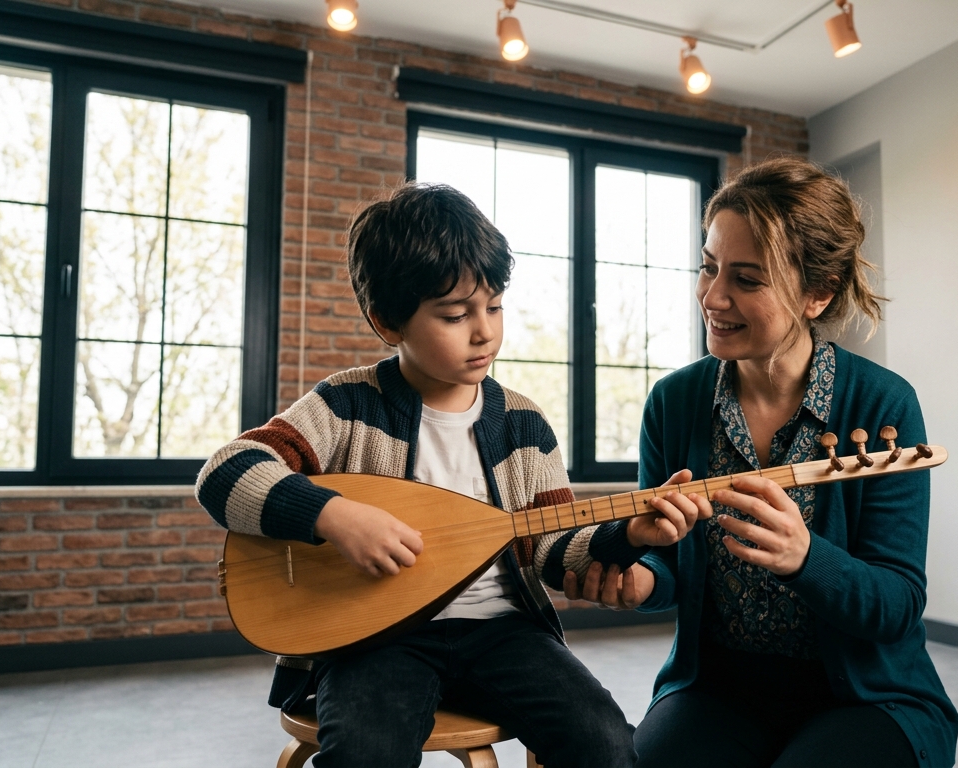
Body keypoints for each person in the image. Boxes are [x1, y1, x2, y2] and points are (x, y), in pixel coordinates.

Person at [195, 183, 700, 768]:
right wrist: (333, 516)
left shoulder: (523, 423)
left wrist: (629, 535)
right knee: (364, 755)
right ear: (388, 322)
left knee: (608, 743)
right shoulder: (345, 405)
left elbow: (552, 551)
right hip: (375, 640)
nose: (483, 330)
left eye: (495, 306)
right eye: (456, 314)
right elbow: (225, 472)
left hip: (504, 633)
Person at [561, 157, 958, 767]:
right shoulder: (674, 403)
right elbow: (671, 564)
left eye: (746, 279)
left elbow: (897, 603)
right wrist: (641, 581)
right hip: (721, 689)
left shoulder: (882, 404)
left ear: (816, 294)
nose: (713, 296)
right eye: (709, 267)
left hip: (866, 697)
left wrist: (806, 558)